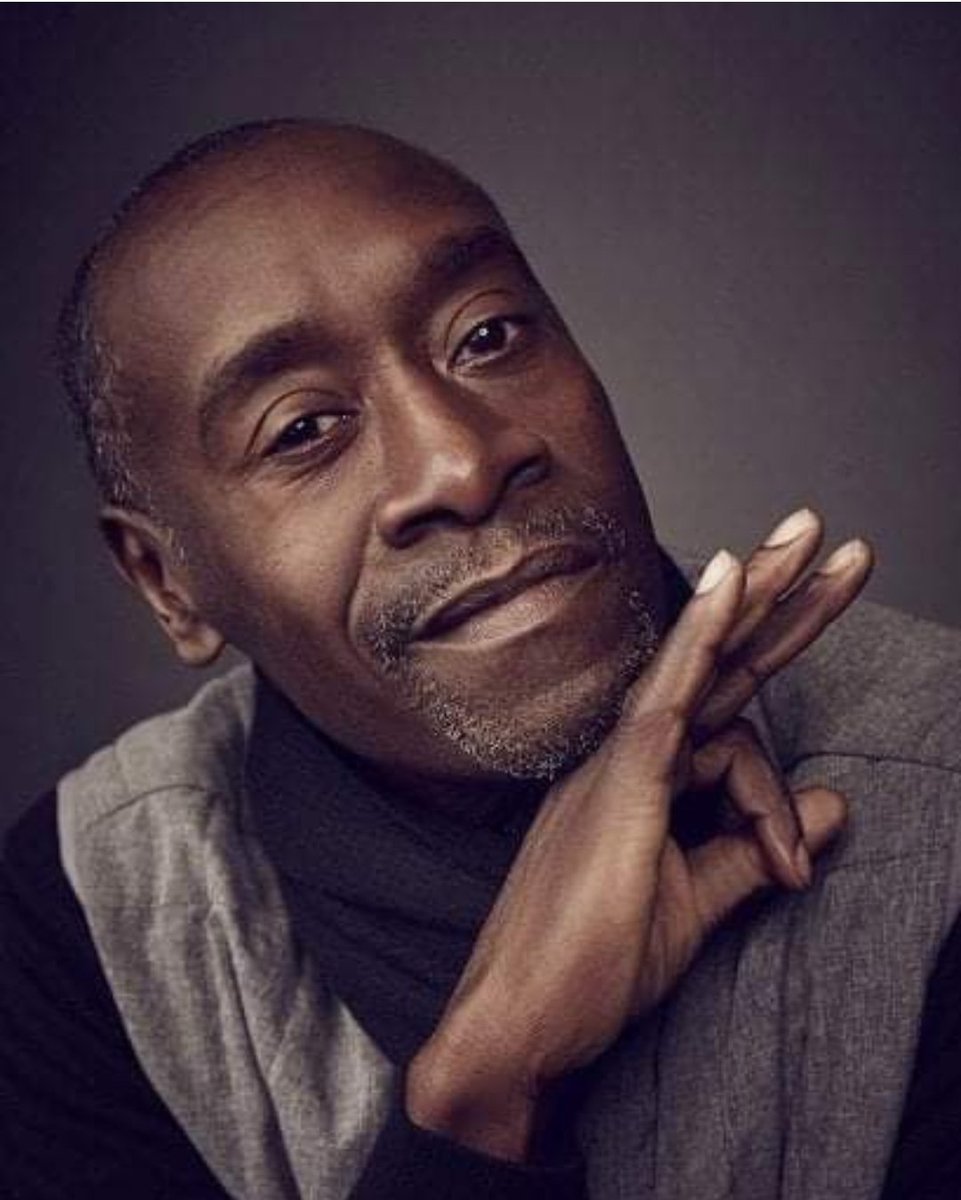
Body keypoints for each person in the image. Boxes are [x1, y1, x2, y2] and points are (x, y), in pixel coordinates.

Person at [2, 119, 959, 1200]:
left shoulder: (937, 795)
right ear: (167, 581)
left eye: (490, 335)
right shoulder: (90, 922)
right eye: (302, 429)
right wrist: (482, 1093)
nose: (460, 461)